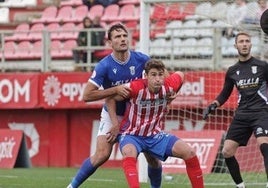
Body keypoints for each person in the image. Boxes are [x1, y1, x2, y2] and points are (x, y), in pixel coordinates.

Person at [67, 23, 163, 188]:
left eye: (124, 35)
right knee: (102, 154)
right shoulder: (104, 66)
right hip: (114, 114)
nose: (123, 39)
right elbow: (87, 95)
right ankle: (71, 186)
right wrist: (115, 93)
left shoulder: (141, 59)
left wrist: (170, 88)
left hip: (137, 115)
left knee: (152, 157)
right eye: (117, 37)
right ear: (110, 43)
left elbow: (163, 74)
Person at [105, 59, 204, 188]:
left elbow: (181, 75)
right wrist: (115, 124)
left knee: (189, 153)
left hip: (154, 135)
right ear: (146, 76)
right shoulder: (135, 87)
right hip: (131, 135)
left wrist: (170, 100)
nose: (158, 79)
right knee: (129, 153)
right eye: (153, 75)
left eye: (160, 74)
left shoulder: (168, 87)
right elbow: (110, 98)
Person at [203, 32, 268, 188]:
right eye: (241, 42)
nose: (244, 44)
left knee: (265, 145)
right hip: (242, 115)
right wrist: (213, 105)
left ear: (251, 45)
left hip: (261, 112)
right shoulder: (232, 71)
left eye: (247, 41)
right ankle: (240, 186)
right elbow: (225, 93)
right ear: (235, 46)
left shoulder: (263, 66)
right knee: (227, 152)